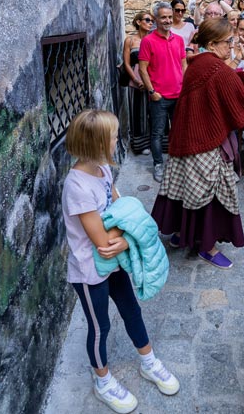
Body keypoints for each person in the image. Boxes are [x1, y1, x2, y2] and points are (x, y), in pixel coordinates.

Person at [62, 109, 180, 414]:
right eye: (113, 137)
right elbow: (103, 242)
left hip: (114, 263)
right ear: (97, 143)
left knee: (131, 310)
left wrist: (126, 238)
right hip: (89, 272)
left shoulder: (102, 169)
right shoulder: (76, 187)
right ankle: (102, 380)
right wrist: (126, 230)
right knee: (100, 326)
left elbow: (122, 208)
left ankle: (148, 362)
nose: (117, 140)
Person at [151, 18, 244, 269]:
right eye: (228, 41)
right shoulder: (216, 69)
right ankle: (207, 246)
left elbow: (226, 83)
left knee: (185, 189)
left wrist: (238, 63)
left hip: (186, 140)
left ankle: (182, 233)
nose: (232, 45)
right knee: (211, 196)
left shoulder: (198, 64)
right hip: (205, 144)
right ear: (213, 44)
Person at [139, 2, 188, 183]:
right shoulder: (148, 41)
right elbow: (142, 69)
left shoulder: (179, 40)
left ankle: (176, 163)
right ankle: (158, 165)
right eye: (163, 17)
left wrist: (185, 88)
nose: (167, 20)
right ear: (156, 19)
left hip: (178, 95)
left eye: (169, 17)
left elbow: (184, 65)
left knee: (178, 132)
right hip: (159, 97)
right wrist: (152, 91)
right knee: (157, 133)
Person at [122, 11, 154, 154]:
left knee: (154, 110)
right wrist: (136, 80)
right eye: (147, 20)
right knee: (138, 111)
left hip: (152, 79)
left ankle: (157, 141)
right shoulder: (130, 40)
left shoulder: (153, 39)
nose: (150, 23)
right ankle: (141, 145)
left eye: (152, 21)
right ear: (138, 22)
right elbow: (126, 63)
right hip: (136, 80)